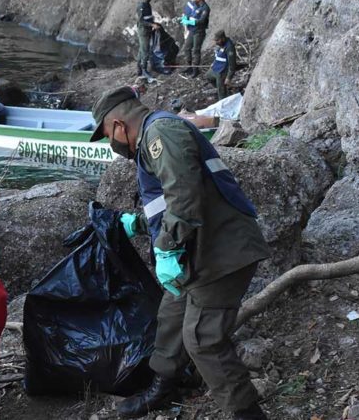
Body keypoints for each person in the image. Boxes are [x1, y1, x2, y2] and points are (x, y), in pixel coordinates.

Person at [88, 87, 271, 420]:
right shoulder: (152, 138)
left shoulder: (161, 133)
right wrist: (140, 224)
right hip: (201, 246)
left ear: (117, 125)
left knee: (203, 339)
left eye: (107, 137)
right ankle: (163, 385)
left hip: (223, 250)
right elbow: (171, 201)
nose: (111, 145)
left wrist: (167, 249)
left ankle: (247, 412)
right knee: (172, 315)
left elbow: (184, 194)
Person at [180, 0, 210, 77]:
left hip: (199, 32)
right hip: (192, 31)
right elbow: (191, 15)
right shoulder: (195, 6)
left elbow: (201, 21)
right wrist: (184, 19)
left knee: (196, 50)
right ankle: (189, 66)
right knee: (187, 48)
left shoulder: (205, 8)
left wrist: (189, 22)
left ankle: (195, 69)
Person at [206, 30, 237, 100]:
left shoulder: (229, 47)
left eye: (217, 40)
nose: (216, 42)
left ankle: (223, 99)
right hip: (216, 67)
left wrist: (229, 77)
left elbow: (232, 65)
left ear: (223, 38)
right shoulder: (220, 44)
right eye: (215, 40)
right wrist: (214, 63)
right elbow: (218, 55)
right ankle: (224, 89)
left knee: (221, 95)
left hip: (223, 71)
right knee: (208, 76)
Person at [136, 0, 161, 78]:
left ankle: (139, 67)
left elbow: (149, 17)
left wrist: (154, 24)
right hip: (143, 31)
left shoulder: (148, 5)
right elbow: (141, 20)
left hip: (148, 30)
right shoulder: (141, 6)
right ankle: (144, 70)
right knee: (145, 51)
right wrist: (152, 24)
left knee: (142, 49)